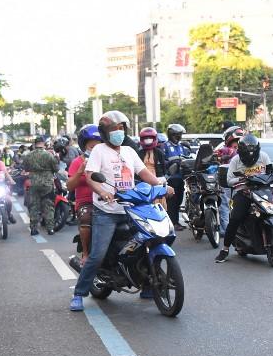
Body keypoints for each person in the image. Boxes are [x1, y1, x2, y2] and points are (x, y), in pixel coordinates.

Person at [69, 110, 169, 311]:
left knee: (147, 242)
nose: (119, 132)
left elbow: (143, 173)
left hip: (131, 208)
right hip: (106, 211)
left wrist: (162, 185)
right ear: (105, 132)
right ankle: (79, 294)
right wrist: (102, 192)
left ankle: (148, 285)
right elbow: (90, 176)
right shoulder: (99, 151)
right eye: (115, 129)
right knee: (97, 255)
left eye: (122, 128)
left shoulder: (129, 152)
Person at [215, 133, 273, 263]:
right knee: (236, 218)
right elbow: (229, 181)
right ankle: (225, 249)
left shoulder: (264, 157)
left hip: (263, 190)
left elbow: (270, 173)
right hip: (244, 191)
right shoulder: (235, 160)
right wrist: (241, 179)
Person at [66, 124, 101, 263]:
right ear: (84, 146)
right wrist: (80, 171)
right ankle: (86, 254)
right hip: (86, 202)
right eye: (92, 146)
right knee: (86, 218)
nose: (95, 149)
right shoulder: (77, 162)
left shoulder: (106, 160)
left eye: (98, 146)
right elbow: (69, 186)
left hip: (106, 199)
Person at [24, 136, 60, 235]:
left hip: (34, 183)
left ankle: (34, 229)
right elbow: (56, 168)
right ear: (43, 144)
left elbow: (26, 168)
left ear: (35, 144)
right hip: (47, 183)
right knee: (48, 206)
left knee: (34, 206)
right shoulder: (48, 155)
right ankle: (50, 228)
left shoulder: (28, 155)